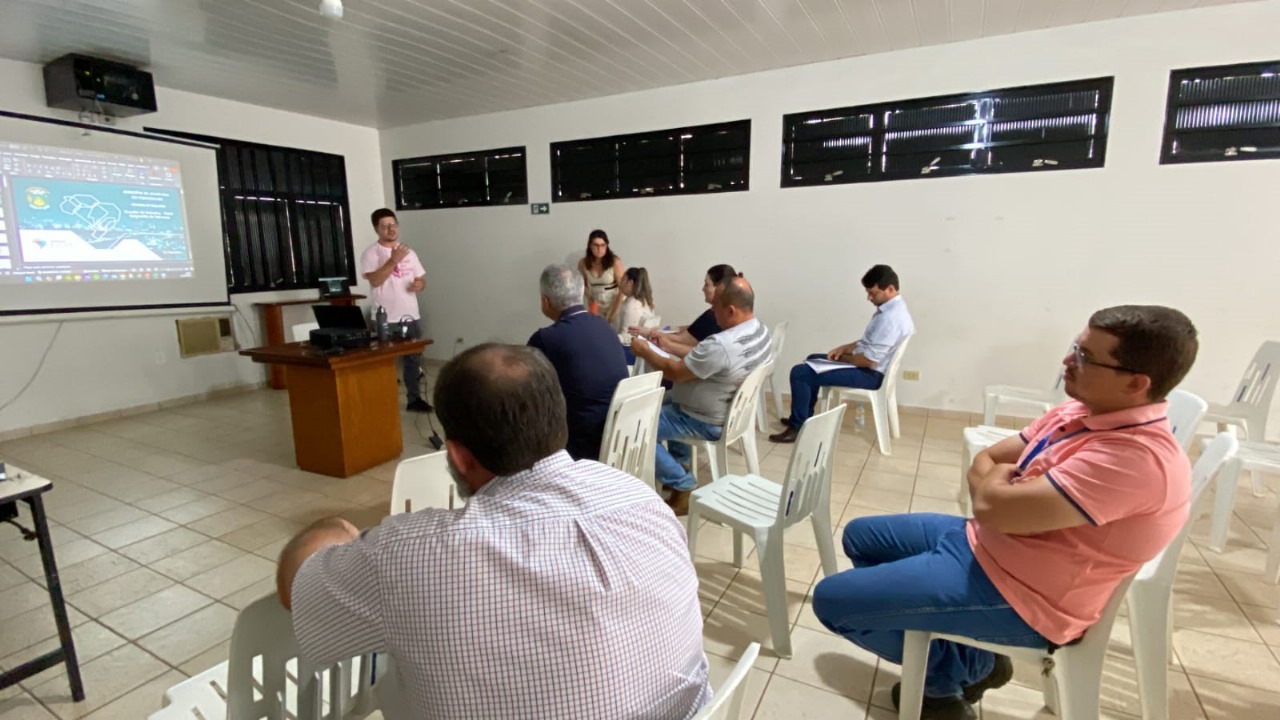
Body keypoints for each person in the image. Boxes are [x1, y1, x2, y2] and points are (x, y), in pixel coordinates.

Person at [276, 344, 711, 719]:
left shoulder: (409, 555)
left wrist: (338, 529)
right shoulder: (638, 497)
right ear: (556, 421)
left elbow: (296, 587)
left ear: (459, 457)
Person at [811, 305, 1199, 720]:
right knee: (860, 537)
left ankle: (942, 685)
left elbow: (992, 503)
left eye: (1085, 357)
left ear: (1136, 383)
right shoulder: (1082, 411)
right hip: (987, 544)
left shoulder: (1133, 459)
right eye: (1075, 348)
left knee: (833, 601)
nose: (1067, 362)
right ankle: (975, 660)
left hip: (1023, 594)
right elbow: (987, 462)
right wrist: (994, 493)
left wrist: (994, 492)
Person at [631, 277, 771, 515]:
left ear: (730, 310)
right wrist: (667, 345)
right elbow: (701, 359)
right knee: (659, 400)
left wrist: (645, 351)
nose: (711, 311)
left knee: (634, 426)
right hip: (723, 410)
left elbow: (676, 373)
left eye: (714, 306)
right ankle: (679, 463)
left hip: (702, 418)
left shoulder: (722, 344)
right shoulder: (759, 331)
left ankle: (682, 484)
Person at [769, 264, 914, 443]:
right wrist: (844, 348)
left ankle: (797, 426)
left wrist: (843, 359)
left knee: (801, 373)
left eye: (873, 293)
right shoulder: (892, 310)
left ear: (890, 289)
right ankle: (804, 418)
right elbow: (869, 343)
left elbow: (867, 360)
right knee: (812, 359)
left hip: (870, 374)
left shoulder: (891, 319)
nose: (868, 297)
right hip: (869, 367)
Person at [529, 264, 630, 461]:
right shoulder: (604, 326)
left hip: (580, 445)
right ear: (582, 292)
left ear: (545, 301)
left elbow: (525, 394)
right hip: (618, 435)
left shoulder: (546, 339)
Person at [361, 208, 429, 412]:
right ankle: (383, 399)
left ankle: (414, 399)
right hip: (385, 318)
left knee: (413, 360)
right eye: (385, 226)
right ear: (376, 229)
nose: (391, 229)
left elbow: (421, 279)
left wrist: (420, 285)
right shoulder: (371, 253)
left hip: (410, 315)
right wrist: (393, 260)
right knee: (383, 362)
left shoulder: (409, 252)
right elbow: (375, 280)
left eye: (393, 224)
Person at [631, 263, 737, 359]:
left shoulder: (713, 317)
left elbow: (683, 339)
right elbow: (692, 329)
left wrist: (650, 333)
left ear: (720, 288)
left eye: (706, 284)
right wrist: (662, 329)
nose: (703, 289)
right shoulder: (718, 315)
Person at [612, 267, 661, 358]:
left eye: (623, 279)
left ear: (630, 283)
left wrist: (607, 339)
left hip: (628, 352)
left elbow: (627, 337)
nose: (620, 283)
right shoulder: (641, 301)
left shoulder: (632, 305)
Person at [578, 229, 625, 322]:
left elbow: (622, 290)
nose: (599, 249)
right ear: (590, 246)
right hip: (596, 306)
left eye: (603, 245)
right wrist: (590, 298)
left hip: (614, 305)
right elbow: (583, 284)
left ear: (607, 246)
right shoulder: (583, 263)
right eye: (596, 245)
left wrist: (612, 312)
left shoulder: (615, 262)